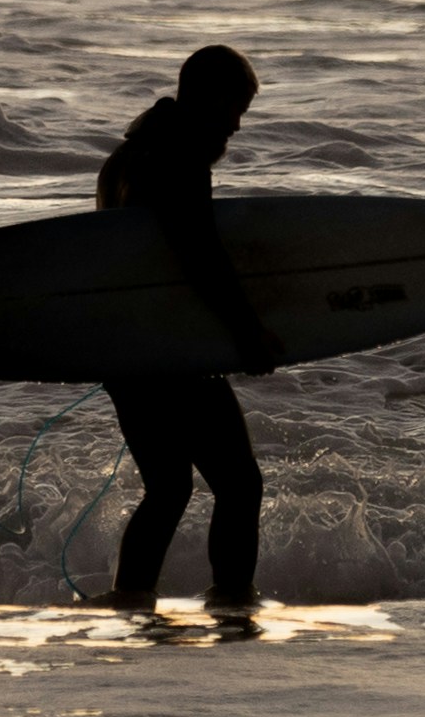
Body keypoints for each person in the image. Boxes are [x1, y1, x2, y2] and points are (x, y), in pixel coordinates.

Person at [97, 43, 286, 617]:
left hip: (124, 351)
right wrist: (248, 333)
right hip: (167, 350)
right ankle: (231, 604)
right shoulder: (179, 160)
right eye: (235, 109)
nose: (235, 125)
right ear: (208, 97)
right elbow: (198, 256)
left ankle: (132, 602)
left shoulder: (129, 155)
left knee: (169, 487)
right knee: (240, 484)